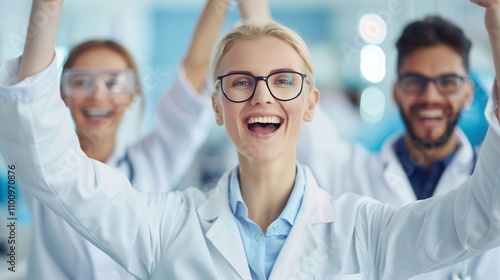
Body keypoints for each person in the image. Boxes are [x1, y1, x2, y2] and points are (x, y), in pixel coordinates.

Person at [2, 0, 500, 279]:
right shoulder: (165, 227)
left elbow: (479, 218)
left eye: (283, 80)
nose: (262, 95)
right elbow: (56, 169)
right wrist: (45, 9)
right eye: (241, 82)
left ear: (310, 102)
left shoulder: (364, 231)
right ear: (217, 107)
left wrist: (497, 25)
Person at [19, 0, 228, 279]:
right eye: (81, 82)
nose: (98, 95)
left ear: (132, 94)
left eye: (115, 83)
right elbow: (31, 90)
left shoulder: (153, 160)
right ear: (61, 94)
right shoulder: (40, 160)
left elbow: (194, 71)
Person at [289, 5, 500, 280]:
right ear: (396, 92)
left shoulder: (491, 177)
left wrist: (496, 29)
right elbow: (295, 114)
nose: (430, 97)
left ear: (468, 93)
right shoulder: (348, 172)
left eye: (447, 82)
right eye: (415, 82)